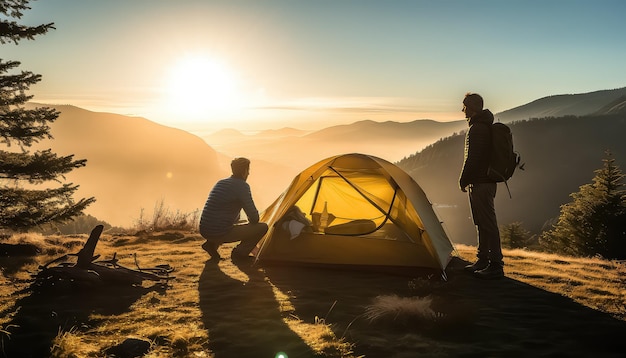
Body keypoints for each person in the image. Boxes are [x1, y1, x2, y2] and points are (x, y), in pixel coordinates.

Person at [459, 93, 504, 279]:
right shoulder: (482, 126)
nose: (463, 110)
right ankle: (483, 259)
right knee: (482, 222)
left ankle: (495, 264)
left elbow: (473, 158)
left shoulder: (477, 128)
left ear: (473, 108)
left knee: (487, 223)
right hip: (483, 182)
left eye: (465, 106)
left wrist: (463, 179)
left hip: (481, 183)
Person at [199, 157, 268, 261]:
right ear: (244, 171)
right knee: (262, 227)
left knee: (236, 221)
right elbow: (254, 218)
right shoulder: (242, 186)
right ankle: (239, 254)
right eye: (248, 170)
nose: (248, 173)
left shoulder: (221, 182)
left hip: (204, 229)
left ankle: (210, 245)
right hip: (219, 232)